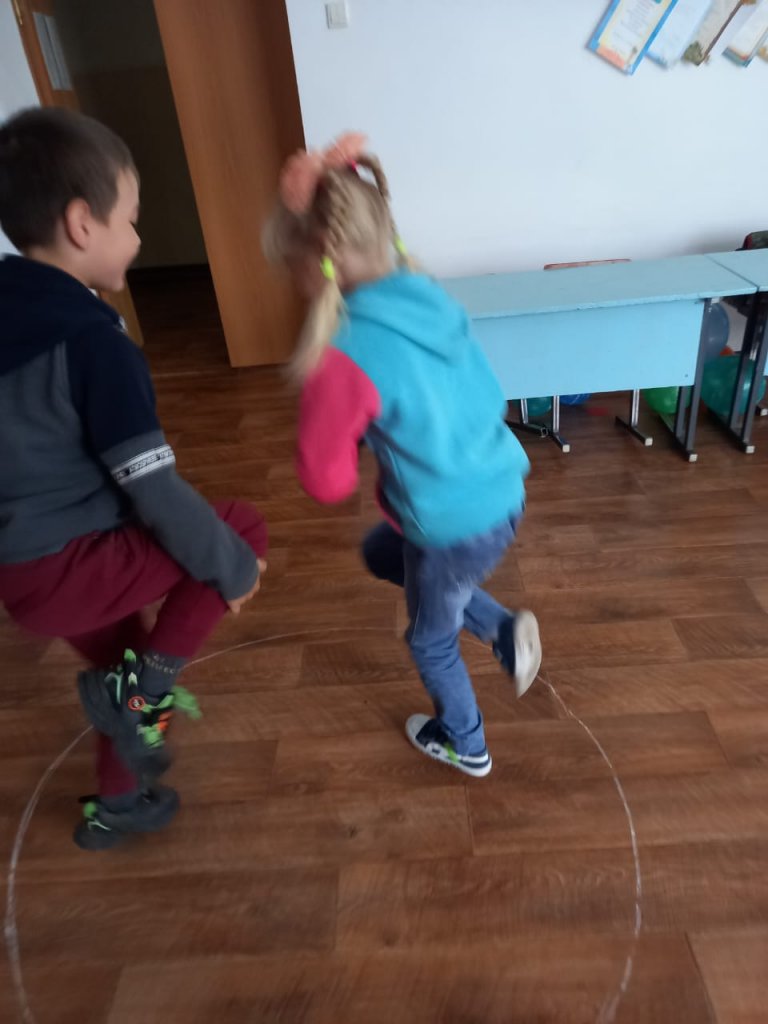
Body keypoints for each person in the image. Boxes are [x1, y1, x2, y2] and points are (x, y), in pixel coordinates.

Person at [0, 107, 267, 849]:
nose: (140, 239)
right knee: (238, 528)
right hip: (70, 563)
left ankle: (117, 806)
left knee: (129, 666)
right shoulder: (93, 344)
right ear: (82, 224)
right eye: (133, 221)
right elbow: (152, 488)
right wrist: (235, 568)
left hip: (19, 573)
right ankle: (140, 695)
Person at [263, 133, 541, 778]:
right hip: (501, 492)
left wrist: (335, 427)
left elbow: (327, 482)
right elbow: (475, 394)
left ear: (320, 258)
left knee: (429, 639)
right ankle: (503, 629)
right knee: (381, 553)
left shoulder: (343, 353)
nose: (290, 281)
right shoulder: (433, 299)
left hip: (452, 526)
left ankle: (466, 743)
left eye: (289, 266)